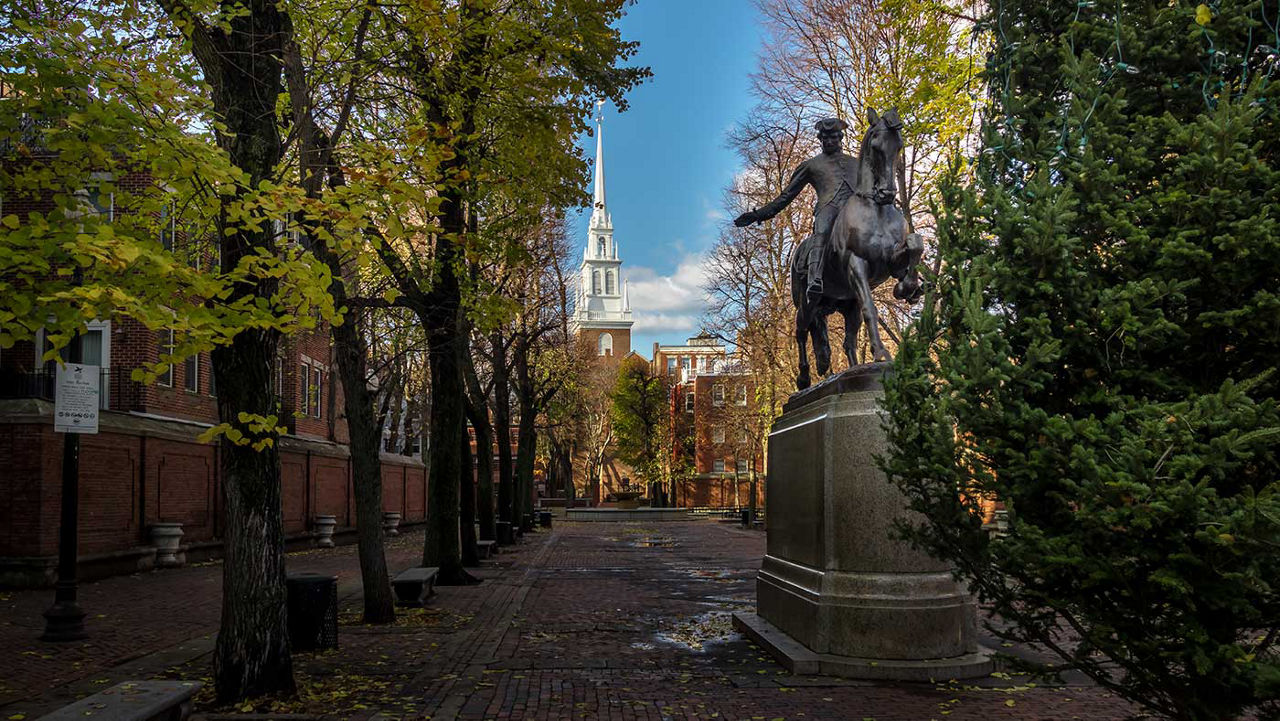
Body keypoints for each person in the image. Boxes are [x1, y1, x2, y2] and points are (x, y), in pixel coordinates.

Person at [734, 118, 858, 301]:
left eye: (833, 137)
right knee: (822, 231)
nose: (829, 141)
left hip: (855, 208)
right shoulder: (811, 165)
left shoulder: (857, 163)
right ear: (820, 139)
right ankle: (815, 277)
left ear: (840, 138)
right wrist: (758, 214)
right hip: (829, 207)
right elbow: (786, 196)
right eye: (825, 138)